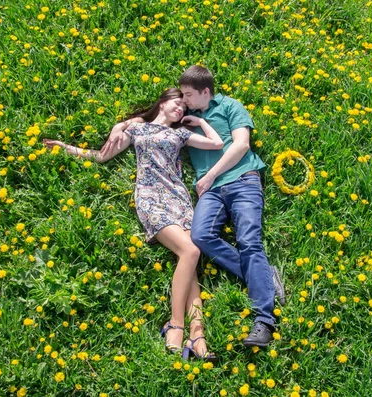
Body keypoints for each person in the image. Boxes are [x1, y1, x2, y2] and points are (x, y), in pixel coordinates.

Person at [105, 67, 286, 347]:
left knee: (249, 242)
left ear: (205, 92)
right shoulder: (183, 121)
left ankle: (264, 318)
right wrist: (123, 124)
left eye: (188, 95)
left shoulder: (230, 106)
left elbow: (240, 145)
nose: (184, 101)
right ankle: (263, 276)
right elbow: (153, 123)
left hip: (242, 181)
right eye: (180, 97)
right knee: (200, 239)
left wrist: (210, 174)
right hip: (209, 192)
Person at [43, 88, 221, 361]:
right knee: (191, 252)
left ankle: (198, 335)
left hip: (180, 200)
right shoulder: (138, 130)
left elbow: (217, 143)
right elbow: (101, 156)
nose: (181, 110)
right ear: (162, 101)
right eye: (177, 104)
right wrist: (67, 148)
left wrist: (200, 122)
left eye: (185, 109)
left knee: (190, 262)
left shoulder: (180, 134)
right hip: (151, 199)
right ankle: (176, 324)